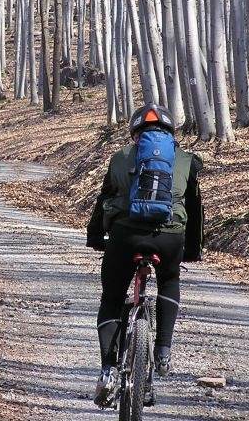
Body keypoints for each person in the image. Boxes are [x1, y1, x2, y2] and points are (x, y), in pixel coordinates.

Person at [87, 103, 204, 407]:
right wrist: (192, 249)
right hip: (169, 237)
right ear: (170, 132)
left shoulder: (120, 157)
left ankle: (108, 370)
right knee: (169, 281)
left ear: (135, 133)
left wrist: (95, 237)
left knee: (112, 298)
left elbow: (104, 199)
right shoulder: (186, 160)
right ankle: (163, 351)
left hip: (126, 236)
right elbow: (195, 210)